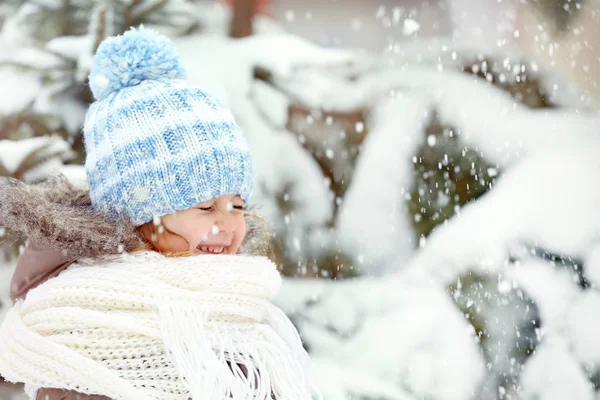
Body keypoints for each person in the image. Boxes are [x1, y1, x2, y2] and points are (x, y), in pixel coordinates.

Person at [0, 27, 316, 400]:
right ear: (139, 215)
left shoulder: (236, 308)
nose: (229, 225)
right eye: (205, 207)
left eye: (238, 205)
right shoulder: (94, 332)